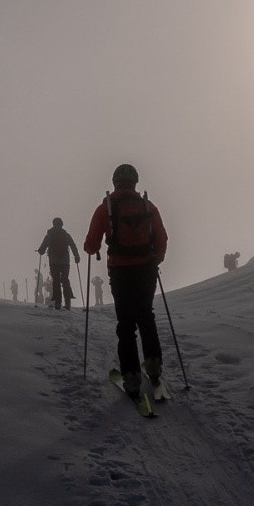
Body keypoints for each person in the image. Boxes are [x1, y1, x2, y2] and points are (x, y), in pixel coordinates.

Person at [83, 164, 168, 400]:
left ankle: (131, 378)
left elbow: (91, 245)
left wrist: (91, 248)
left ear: (115, 182)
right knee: (146, 316)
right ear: (135, 182)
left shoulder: (106, 207)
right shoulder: (147, 205)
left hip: (120, 270)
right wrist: (155, 260)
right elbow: (162, 236)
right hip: (147, 268)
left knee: (126, 324)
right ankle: (153, 367)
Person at [37, 218, 80, 309]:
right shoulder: (66, 235)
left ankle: (57, 302)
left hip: (53, 262)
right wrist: (76, 256)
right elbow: (73, 246)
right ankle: (68, 303)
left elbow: (42, 248)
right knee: (65, 280)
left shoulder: (49, 235)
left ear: (53, 224)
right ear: (62, 224)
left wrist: (40, 251)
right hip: (65, 261)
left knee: (56, 281)